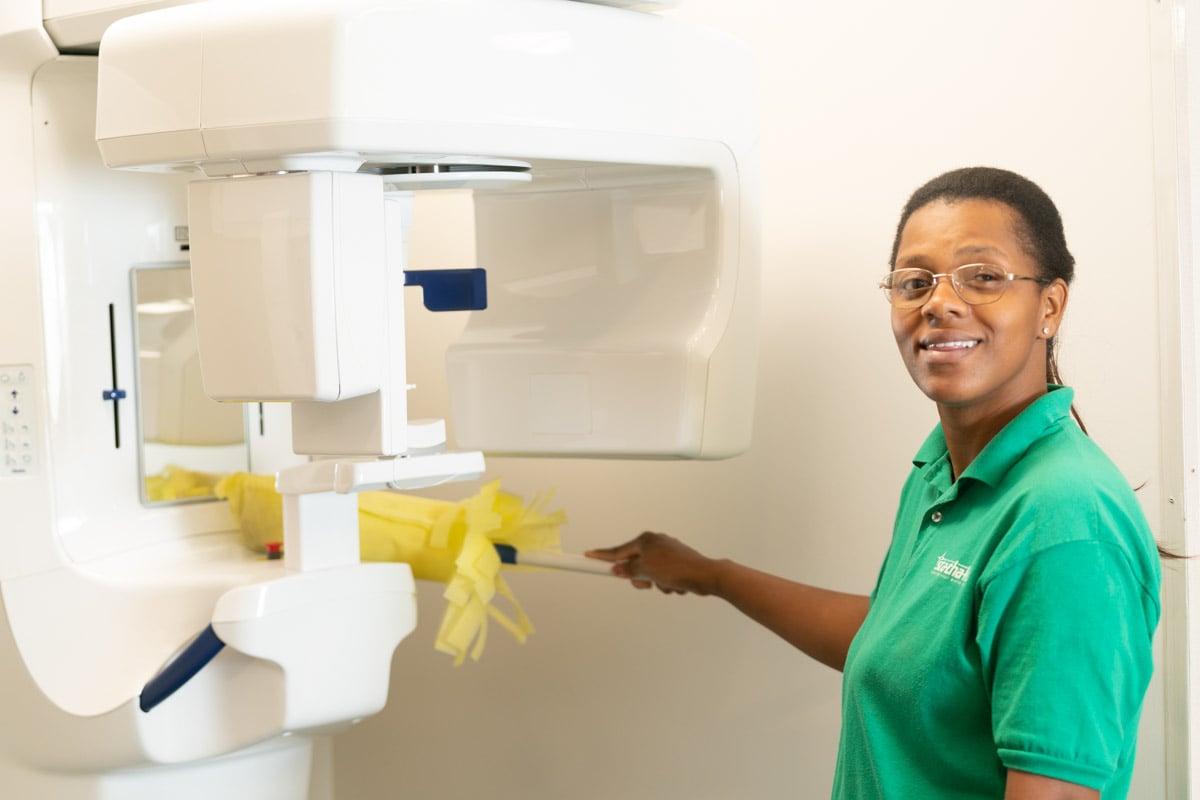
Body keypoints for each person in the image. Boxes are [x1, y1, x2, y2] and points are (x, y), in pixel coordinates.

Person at [586, 167, 1162, 800]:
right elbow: (902, 647)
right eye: (915, 281)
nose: (939, 302)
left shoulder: (1063, 520)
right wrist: (711, 574)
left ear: (1048, 306)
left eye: (983, 277)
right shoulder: (945, 470)